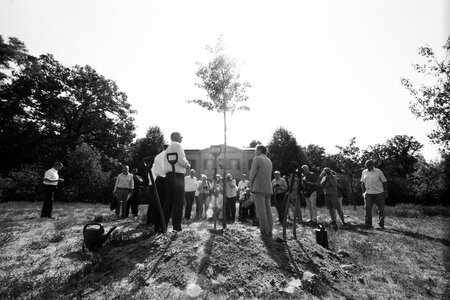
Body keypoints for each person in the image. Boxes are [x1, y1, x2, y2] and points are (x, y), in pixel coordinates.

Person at [163, 132, 190, 232]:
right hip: (177, 175)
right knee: (179, 201)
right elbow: (181, 160)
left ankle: (164, 225)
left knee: (169, 200)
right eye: (180, 136)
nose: (182, 138)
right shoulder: (178, 145)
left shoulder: (168, 149)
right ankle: (176, 226)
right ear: (175, 137)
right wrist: (187, 165)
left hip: (169, 175)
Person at [249, 145, 273, 237]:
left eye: (256, 150)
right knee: (268, 210)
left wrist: (251, 184)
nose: (255, 152)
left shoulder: (257, 159)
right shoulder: (269, 160)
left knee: (261, 210)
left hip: (259, 187)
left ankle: (264, 231)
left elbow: (252, 173)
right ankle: (270, 229)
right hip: (268, 188)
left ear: (259, 150)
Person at [361, 159, 388, 229]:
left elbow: (384, 182)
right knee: (367, 209)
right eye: (366, 165)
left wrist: (385, 192)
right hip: (368, 193)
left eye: (369, 165)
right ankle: (368, 224)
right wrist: (363, 192)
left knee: (381, 209)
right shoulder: (364, 172)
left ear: (372, 165)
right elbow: (362, 183)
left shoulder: (378, 172)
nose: (367, 166)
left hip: (379, 193)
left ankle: (381, 225)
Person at [147, 144, 168, 233]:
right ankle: (163, 226)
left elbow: (155, 172)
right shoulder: (168, 155)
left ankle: (156, 226)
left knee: (157, 204)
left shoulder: (157, 157)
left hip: (158, 180)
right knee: (165, 204)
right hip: (166, 180)